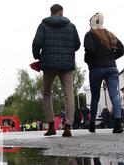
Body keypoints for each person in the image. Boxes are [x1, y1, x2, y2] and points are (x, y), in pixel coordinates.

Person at [32, 4, 81, 138]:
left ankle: (52, 126)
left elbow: (36, 43)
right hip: (67, 64)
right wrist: (67, 50)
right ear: (61, 12)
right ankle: (68, 127)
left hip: (49, 64)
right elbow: (77, 45)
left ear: (51, 13)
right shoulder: (71, 26)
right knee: (68, 94)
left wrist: (37, 56)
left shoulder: (43, 25)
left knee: (47, 93)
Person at [84, 13, 124, 134]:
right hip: (112, 68)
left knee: (95, 97)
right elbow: (122, 50)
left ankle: (92, 124)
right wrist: (111, 58)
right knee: (114, 95)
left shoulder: (89, 35)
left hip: (96, 68)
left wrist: (87, 59)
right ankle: (118, 123)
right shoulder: (110, 35)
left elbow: (90, 50)